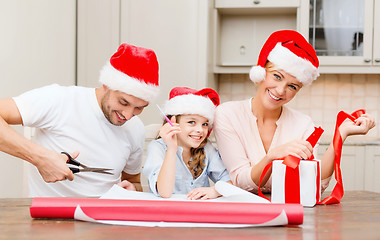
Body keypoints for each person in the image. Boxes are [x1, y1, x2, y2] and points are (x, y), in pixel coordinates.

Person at [213, 30, 375, 194]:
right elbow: (242, 182)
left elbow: (316, 183)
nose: (281, 90)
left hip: (289, 210)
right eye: (277, 76)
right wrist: (272, 156)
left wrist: (341, 134)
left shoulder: (303, 124)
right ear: (262, 72)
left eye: (292, 86)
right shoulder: (227, 114)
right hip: (243, 211)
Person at [0, 43, 160, 197]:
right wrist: (40, 158)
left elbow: (132, 181)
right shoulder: (59, 100)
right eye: (123, 102)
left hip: (104, 220)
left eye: (139, 108)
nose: (128, 115)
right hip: (49, 220)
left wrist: (132, 190)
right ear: (106, 85)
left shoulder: (135, 128)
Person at [143, 87, 231, 200]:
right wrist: (171, 149)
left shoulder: (206, 148)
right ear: (172, 122)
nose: (200, 130)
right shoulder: (157, 148)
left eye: (204, 124)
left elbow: (230, 180)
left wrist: (215, 190)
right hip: (167, 213)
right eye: (192, 122)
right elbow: (164, 192)